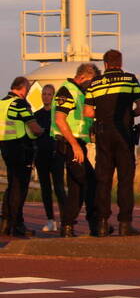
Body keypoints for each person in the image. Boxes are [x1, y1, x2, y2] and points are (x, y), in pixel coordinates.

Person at [84, 50, 140, 236]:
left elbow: (87, 112)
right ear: (120, 62)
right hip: (124, 133)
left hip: (103, 132)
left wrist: (104, 117)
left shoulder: (95, 83)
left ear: (105, 64)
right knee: (125, 180)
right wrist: (128, 116)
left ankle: (102, 223)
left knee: (103, 179)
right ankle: (125, 224)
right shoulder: (130, 79)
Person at [53, 63, 99, 237]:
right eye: (90, 81)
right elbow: (59, 119)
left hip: (78, 144)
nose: (91, 85)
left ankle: (67, 226)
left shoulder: (79, 92)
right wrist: (74, 145)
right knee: (90, 181)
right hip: (70, 144)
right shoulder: (67, 90)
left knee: (76, 189)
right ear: (81, 77)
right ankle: (95, 223)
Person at [0, 77, 44, 237]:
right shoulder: (19, 103)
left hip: (5, 147)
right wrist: (43, 131)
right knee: (20, 188)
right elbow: (34, 128)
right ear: (23, 88)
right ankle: (17, 224)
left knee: (11, 186)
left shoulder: (2, 103)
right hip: (21, 148)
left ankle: (5, 223)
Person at [32, 84, 59, 232]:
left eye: (49, 94)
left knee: (59, 188)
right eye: (44, 93)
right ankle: (50, 220)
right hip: (41, 155)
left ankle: (66, 220)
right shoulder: (37, 115)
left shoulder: (57, 114)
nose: (46, 96)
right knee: (46, 189)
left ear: (53, 96)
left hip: (55, 155)